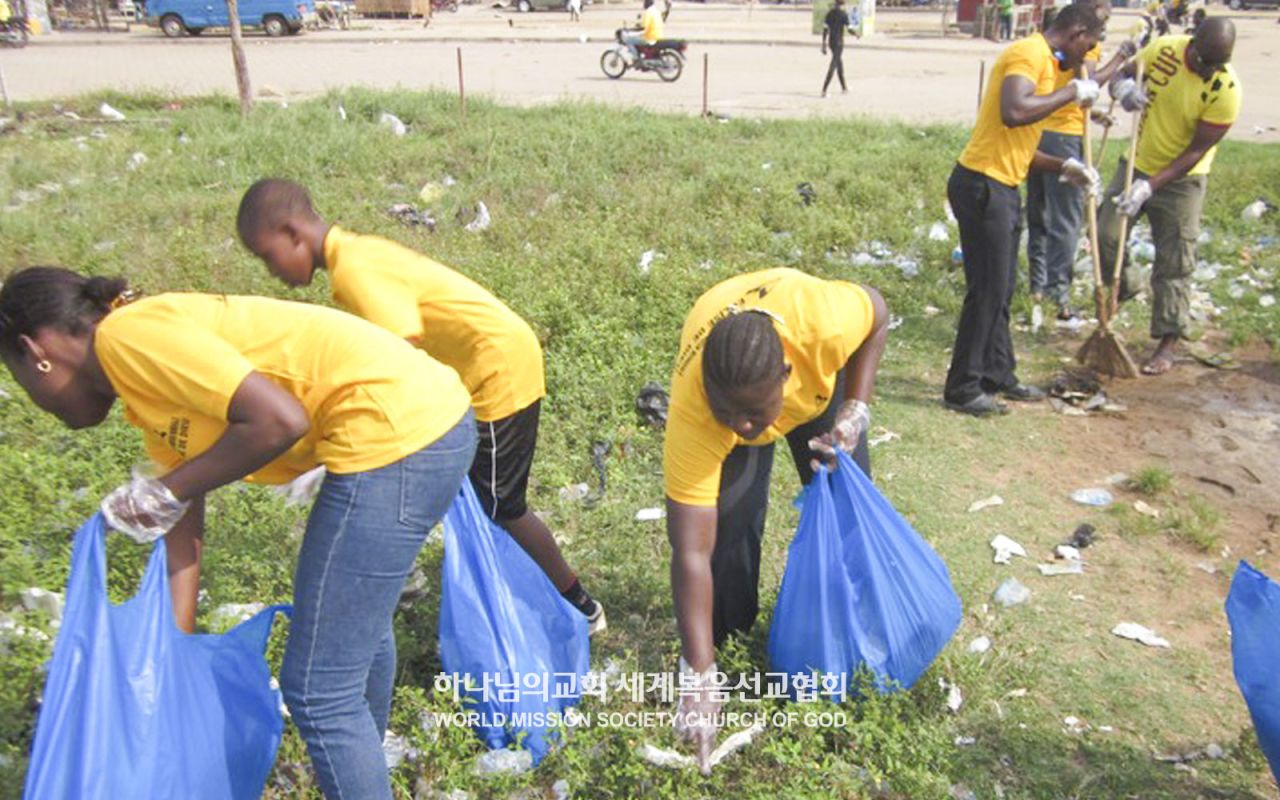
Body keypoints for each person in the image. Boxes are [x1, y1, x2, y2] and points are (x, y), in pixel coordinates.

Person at [0, 268, 476, 799]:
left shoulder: (126, 338)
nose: (38, 402)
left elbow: (278, 420)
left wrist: (167, 490)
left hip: (397, 433)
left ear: (35, 350)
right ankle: (367, 751)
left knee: (319, 691)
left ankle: (356, 756)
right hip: (418, 422)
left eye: (23, 382)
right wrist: (171, 653)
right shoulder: (142, 385)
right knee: (344, 614)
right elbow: (182, 517)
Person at [236, 179, 605, 633]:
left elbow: (398, 355)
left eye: (267, 256)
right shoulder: (353, 254)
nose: (270, 272)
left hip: (497, 371)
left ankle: (579, 607)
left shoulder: (354, 268)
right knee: (453, 488)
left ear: (292, 233)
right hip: (477, 368)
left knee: (500, 506)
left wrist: (331, 456)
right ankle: (437, 591)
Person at [663, 268, 889, 771]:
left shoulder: (823, 327)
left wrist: (855, 408)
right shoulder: (699, 410)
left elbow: (877, 312)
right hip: (738, 376)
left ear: (784, 374)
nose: (742, 427)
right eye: (731, 414)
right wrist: (697, 675)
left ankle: (853, 640)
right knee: (729, 530)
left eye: (752, 413)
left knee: (848, 511)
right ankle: (730, 648)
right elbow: (690, 551)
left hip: (810, 389)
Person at [943, 3, 1105, 417]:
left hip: (1001, 184)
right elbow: (1013, 112)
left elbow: (1017, 143)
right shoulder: (1028, 53)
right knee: (987, 290)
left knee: (1002, 286)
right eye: (1091, 42)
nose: (1091, 52)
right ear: (1076, 31)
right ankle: (963, 388)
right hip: (982, 184)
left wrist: (1064, 167)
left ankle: (998, 373)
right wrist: (1071, 92)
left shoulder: (1048, 64)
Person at [1097, 17, 1241, 375]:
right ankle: (1127, 285)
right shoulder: (1164, 50)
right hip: (1135, 162)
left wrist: (1150, 186)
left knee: (1175, 258)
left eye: (1216, 64)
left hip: (1183, 179)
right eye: (1203, 60)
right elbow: (1123, 74)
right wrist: (1123, 89)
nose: (1208, 70)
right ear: (1192, 44)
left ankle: (1168, 340)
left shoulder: (1226, 90)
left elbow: (1196, 151)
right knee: (1104, 234)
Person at [1025, 0, 1135, 321]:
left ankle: (1038, 285)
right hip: (1063, 138)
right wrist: (1120, 59)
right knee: (1065, 219)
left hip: (1041, 130)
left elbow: (1065, 88)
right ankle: (1056, 292)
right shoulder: (1081, 41)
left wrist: (1095, 113)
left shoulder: (1061, 37)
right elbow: (1087, 80)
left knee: (1040, 214)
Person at [820, 0, 860, 99]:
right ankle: (824, 90)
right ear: (842, 5)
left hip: (831, 42)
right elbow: (849, 29)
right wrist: (856, 34)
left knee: (839, 64)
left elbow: (825, 30)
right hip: (839, 43)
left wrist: (824, 43)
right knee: (833, 65)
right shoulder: (843, 15)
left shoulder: (829, 14)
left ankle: (844, 88)